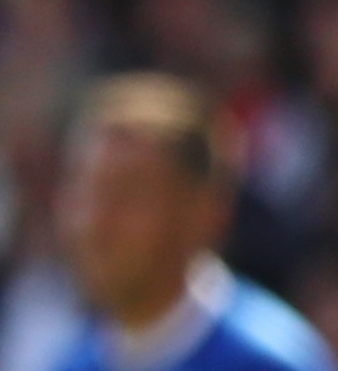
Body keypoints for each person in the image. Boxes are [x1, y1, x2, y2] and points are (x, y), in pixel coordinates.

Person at [55, 74, 336, 371]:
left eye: (130, 195)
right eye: (85, 191)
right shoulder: (73, 362)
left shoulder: (269, 362)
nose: (96, 222)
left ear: (205, 211)